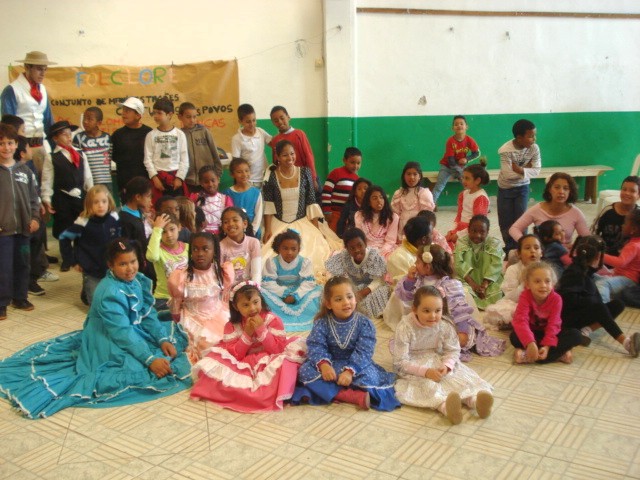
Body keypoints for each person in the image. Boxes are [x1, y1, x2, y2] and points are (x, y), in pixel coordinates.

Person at [0, 238, 191, 418]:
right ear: (110, 265)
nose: (130, 268)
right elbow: (122, 332)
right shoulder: (109, 292)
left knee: (168, 340)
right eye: (122, 264)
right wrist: (149, 359)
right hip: (108, 336)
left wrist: (161, 339)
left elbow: (147, 314)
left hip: (129, 329)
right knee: (133, 370)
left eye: (133, 261)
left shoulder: (137, 280)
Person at [190, 281, 306, 412]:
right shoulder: (231, 326)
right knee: (213, 367)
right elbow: (236, 356)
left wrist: (261, 329)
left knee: (285, 364)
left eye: (256, 302)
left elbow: (277, 350)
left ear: (261, 300)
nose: (252, 308)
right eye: (245, 305)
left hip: (268, 357)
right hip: (243, 360)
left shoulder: (272, 320)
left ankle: (272, 393)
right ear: (236, 307)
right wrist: (247, 334)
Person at [290, 276, 401, 411]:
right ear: (328, 304)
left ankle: (330, 391)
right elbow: (316, 345)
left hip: (357, 366)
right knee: (304, 372)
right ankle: (349, 396)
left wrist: (349, 371)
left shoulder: (364, 323)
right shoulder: (322, 323)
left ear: (355, 298)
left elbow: (364, 352)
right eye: (338, 299)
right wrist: (324, 365)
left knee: (371, 378)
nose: (346, 302)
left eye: (349, 297)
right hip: (331, 364)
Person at [393, 286, 494, 425]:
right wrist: (425, 372)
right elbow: (400, 361)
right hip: (413, 365)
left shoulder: (444, 325)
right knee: (428, 386)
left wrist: (447, 365)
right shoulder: (405, 327)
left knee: (456, 378)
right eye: (426, 311)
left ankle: (475, 401)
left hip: (437, 359)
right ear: (415, 309)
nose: (433, 316)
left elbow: (453, 350)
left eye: (437, 311)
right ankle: (447, 408)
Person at [390, 244, 504, 360]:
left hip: (444, 321)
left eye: (418, 262)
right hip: (424, 319)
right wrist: (410, 279)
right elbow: (405, 296)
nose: (415, 264)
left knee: (444, 343)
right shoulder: (418, 279)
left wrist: (462, 331)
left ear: (427, 266)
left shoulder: (449, 284)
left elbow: (459, 310)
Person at [262, 140, 340, 273]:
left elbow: (311, 202)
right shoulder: (271, 175)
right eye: (285, 155)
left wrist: (317, 229)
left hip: (303, 221)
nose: (290, 158)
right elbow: (269, 203)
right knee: (269, 255)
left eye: (292, 153)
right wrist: (268, 229)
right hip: (278, 223)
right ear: (278, 157)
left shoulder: (304, 172)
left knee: (315, 253)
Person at [556, 235, 640, 356]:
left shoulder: (586, 270)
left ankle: (585, 330)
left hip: (580, 313)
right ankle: (626, 343)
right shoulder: (574, 272)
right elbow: (566, 299)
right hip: (567, 320)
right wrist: (590, 302)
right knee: (598, 306)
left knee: (618, 304)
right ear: (597, 257)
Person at [168, 232, 234, 363]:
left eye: (205, 249)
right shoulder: (182, 276)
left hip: (217, 312)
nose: (200, 253)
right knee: (207, 344)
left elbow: (225, 296)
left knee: (230, 338)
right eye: (195, 249)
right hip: (193, 317)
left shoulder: (221, 272)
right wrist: (176, 321)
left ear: (214, 252)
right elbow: (176, 303)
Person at [41, 120, 94, 272]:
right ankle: (67, 258)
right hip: (62, 198)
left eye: (70, 134)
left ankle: (79, 256)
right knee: (64, 229)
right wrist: (46, 198)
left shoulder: (80, 153)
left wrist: (91, 193)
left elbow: (87, 176)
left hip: (80, 197)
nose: (69, 137)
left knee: (80, 226)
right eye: (64, 135)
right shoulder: (52, 157)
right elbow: (47, 180)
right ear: (55, 138)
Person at [0, 124, 40, 320]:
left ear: (16, 145)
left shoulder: (26, 171)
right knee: (3, 268)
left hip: (24, 230)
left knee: (23, 264)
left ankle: (20, 297)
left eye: (10, 143)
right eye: (1, 143)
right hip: (3, 231)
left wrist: (35, 218)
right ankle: (2, 302)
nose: (6, 147)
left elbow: (34, 198)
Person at [58, 185, 121, 305]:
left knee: (112, 298)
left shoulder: (114, 218)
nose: (100, 205)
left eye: (104, 201)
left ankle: (87, 292)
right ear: (89, 204)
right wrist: (73, 261)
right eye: (96, 202)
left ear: (109, 202)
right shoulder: (83, 222)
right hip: (91, 269)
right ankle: (87, 292)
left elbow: (120, 238)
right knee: (96, 304)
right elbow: (64, 238)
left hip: (111, 268)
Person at [511, 261, 582, 364]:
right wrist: (530, 342)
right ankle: (557, 354)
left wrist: (547, 346)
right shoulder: (525, 296)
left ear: (553, 284)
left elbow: (554, 324)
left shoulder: (556, 299)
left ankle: (532, 355)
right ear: (528, 284)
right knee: (514, 336)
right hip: (532, 333)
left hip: (550, 334)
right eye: (537, 281)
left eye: (547, 281)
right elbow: (521, 320)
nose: (543, 285)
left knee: (576, 335)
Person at [1, 51, 55, 177]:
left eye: (45, 69)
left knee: (45, 184)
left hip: (42, 146)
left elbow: (48, 121)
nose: (43, 73)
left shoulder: (43, 89)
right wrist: (18, 149)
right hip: (23, 149)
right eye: (39, 69)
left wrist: (54, 146)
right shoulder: (12, 90)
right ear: (27, 67)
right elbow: (9, 125)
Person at [509, 172, 589, 251]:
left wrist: (575, 247)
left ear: (570, 192)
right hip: (540, 254)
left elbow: (587, 239)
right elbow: (514, 228)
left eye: (566, 188)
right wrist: (528, 243)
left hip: (565, 254)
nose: (561, 192)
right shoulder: (537, 209)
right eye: (557, 187)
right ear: (549, 189)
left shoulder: (576, 213)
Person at [262, 229, 322, 332]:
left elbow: (308, 283)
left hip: (299, 292)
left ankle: (304, 318)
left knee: (319, 292)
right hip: (278, 293)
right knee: (261, 293)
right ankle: (278, 318)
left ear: (299, 249)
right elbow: (268, 283)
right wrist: (284, 293)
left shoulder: (304, 262)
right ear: (279, 248)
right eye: (285, 248)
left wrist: (295, 295)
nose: (289, 252)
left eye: (293, 249)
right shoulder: (272, 262)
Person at [325, 227, 391, 319]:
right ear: (347, 249)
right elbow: (337, 277)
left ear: (365, 243)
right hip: (353, 289)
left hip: (372, 288)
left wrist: (362, 293)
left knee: (381, 293)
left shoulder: (374, 257)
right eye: (352, 248)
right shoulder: (344, 258)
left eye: (360, 245)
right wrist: (348, 292)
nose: (357, 250)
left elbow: (379, 281)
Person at [497, 119, 541, 253]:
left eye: (534, 135)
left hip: (523, 188)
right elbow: (507, 175)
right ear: (519, 137)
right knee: (505, 221)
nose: (534, 139)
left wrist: (519, 169)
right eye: (531, 136)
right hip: (505, 188)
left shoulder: (534, 148)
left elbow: (536, 171)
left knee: (521, 219)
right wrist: (527, 169)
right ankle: (509, 248)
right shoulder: (505, 150)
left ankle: (521, 247)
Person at [485, 234, 543, 330]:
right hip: (517, 304)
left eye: (536, 248)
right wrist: (525, 284)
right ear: (518, 253)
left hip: (540, 305)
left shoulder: (545, 270)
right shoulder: (513, 269)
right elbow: (510, 296)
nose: (532, 251)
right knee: (499, 312)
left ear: (541, 253)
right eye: (527, 248)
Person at [144, 97, 189, 203]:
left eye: (159, 113)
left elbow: (184, 159)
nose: (156, 116)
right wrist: (155, 178)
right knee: (160, 207)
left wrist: (179, 178)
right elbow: (147, 160)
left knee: (178, 207)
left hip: (176, 176)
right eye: (154, 113)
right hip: (158, 177)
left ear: (170, 114)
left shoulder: (180, 134)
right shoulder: (151, 135)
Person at [454, 215, 503, 309]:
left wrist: (484, 285)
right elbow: (458, 264)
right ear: (468, 230)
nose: (477, 235)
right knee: (460, 292)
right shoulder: (461, 242)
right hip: (467, 279)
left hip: (489, 280)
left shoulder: (494, 243)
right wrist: (472, 284)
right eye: (474, 231)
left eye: (482, 232)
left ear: (487, 232)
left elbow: (496, 265)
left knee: (498, 291)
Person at [431, 115, 480, 205]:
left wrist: (466, 159)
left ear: (466, 127)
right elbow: (451, 161)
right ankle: (430, 205)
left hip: (461, 167)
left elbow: (476, 153)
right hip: (447, 167)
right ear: (452, 128)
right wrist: (460, 172)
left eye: (461, 124)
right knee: (439, 185)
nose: (459, 126)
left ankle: (474, 204)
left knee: (468, 184)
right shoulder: (450, 141)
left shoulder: (469, 140)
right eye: (456, 124)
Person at [111, 97, 153, 201]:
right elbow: (114, 156)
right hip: (125, 184)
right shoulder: (117, 135)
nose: (123, 114)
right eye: (123, 110)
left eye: (127, 111)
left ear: (138, 115)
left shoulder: (149, 133)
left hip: (145, 184)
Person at [146, 212, 188, 312]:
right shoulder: (158, 250)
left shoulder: (188, 248)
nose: (169, 235)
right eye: (163, 232)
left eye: (172, 229)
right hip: (163, 298)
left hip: (186, 297)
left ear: (179, 227)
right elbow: (152, 257)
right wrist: (157, 229)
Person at [270, 105, 318, 191]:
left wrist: (313, 178)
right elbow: (275, 162)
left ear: (288, 117)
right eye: (276, 121)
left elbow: (308, 156)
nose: (280, 122)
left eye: (282, 118)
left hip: (303, 178)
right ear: (273, 123)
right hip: (285, 180)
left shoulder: (299, 134)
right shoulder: (275, 140)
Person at [596, 209, 640, 304]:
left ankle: (604, 308)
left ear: (633, 229)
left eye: (625, 223)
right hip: (619, 276)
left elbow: (620, 262)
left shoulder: (634, 246)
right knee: (593, 276)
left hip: (628, 281)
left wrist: (599, 255)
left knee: (602, 284)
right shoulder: (635, 242)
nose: (622, 225)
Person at [177, 102, 222, 194]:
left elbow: (215, 153)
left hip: (208, 180)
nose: (192, 120)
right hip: (188, 181)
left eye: (194, 117)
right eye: (188, 117)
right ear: (180, 117)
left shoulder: (204, 131)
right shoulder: (179, 135)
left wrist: (217, 174)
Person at [591, 176, 640, 257]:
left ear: (638, 195)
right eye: (624, 189)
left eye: (632, 191)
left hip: (627, 259)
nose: (627, 193)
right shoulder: (608, 210)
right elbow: (593, 232)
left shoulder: (638, 216)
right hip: (603, 256)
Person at [445, 162, 490, 249]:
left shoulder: (480, 197)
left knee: (458, 249)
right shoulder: (463, 194)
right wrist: (452, 230)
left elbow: (478, 224)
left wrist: (459, 235)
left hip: (472, 232)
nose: (463, 181)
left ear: (477, 180)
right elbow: (459, 215)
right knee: (444, 243)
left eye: (467, 178)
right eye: (463, 177)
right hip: (460, 229)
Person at [119, 177, 154, 279]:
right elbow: (127, 245)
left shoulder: (139, 211)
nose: (150, 200)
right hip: (136, 263)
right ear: (138, 197)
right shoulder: (125, 219)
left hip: (145, 258)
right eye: (148, 196)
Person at [322, 147, 363, 232]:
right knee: (333, 236)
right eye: (352, 162)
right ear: (344, 160)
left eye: (358, 163)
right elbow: (326, 192)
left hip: (349, 215)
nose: (355, 166)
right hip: (335, 213)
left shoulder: (357, 179)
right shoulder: (336, 173)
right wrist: (327, 211)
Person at [391, 161, 434, 242]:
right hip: (402, 227)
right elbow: (395, 214)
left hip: (419, 228)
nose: (411, 177)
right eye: (408, 174)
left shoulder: (424, 193)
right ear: (404, 176)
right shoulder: (398, 193)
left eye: (415, 174)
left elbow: (426, 217)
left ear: (419, 176)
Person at [73, 107, 113, 193]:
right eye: (84, 118)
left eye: (90, 119)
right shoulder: (78, 138)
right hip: (88, 181)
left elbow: (110, 157)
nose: (85, 121)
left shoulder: (107, 137)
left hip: (106, 181)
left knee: (107, 201)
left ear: (99, 123)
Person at [231, 103, 272, 187]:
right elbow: (236, 163)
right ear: (240, 122)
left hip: (265, 177)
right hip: (248, 180)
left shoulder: (260, 132)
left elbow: (274, 144)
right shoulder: (236, 139)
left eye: (254, 120)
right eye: (248, 122)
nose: (252, 124)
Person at [354, 185, 399, 259]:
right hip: (364, 248)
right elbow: (358, 237)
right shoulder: (359, 215)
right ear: (368, 202)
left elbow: (390, 241)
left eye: (381, 197)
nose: (379, 200)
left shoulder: (393, 217)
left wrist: (379, 253)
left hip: (385, 250)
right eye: (375, 198)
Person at [219, 206, 261, 284]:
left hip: (250, 287)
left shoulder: (254, 243)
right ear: (223, 227)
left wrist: (254, 288)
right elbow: (220, 275)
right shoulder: (220, 246)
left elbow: (256, 273)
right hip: (229, 288)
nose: (230, 224)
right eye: (226, 222)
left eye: (235, 220)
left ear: (244, 224)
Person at [223, 157, 263, 237]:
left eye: (247, 171)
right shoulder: (227, 193)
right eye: (239, 172)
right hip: (233, 233)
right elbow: (225, 215)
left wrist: (252, 231)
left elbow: (258, 215)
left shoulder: (256, 193)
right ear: (232, 174)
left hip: (252, 233)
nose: (244, 174)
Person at [387, 215, 433, 283]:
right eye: (431, 234)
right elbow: (403, 286)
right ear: (424, 239)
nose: (433, 237)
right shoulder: (398, 258)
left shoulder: (430, 248)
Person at [194, 165, 233, 235]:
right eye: (206, 182)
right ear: (201, 183)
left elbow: (229, 218)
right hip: (201, 236)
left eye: (213, 180)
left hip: (221, 235)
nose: (210, 184)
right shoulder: (196, 198)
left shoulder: (225, 199)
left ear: (218, 179)